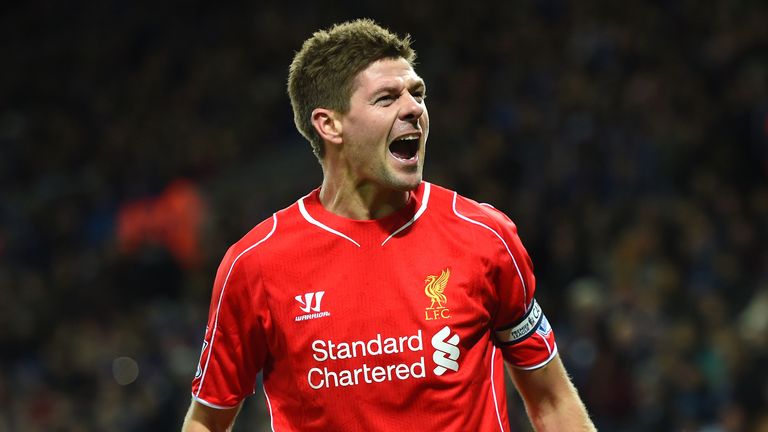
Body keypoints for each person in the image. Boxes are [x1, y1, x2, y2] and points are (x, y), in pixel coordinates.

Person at [182, 19, 596, 431]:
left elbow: (553, 399)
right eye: (386, 98)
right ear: (330, 125)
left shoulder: (484, 236)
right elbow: (207, 420)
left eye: (417, 93)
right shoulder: (257, 265)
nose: (414, 108)